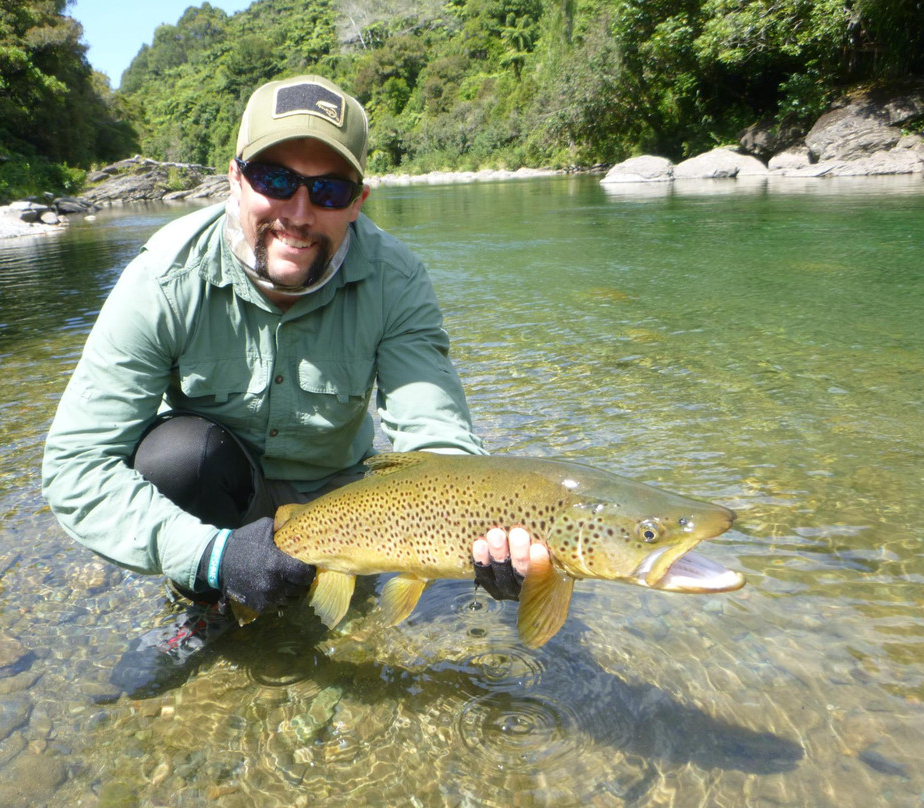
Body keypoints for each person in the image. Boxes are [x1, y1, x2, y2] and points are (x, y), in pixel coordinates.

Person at [41, 75, 548, 650]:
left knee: (351, 636)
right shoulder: (164, 279)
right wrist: (215, 556)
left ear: (358, 202)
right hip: (221, 508)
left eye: (329, 190)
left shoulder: (396, 281)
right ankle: (208, 600)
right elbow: (75, 467)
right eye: (276, 180)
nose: (299, 213)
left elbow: (436, 437)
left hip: (343, 512)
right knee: (176, 458)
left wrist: (485, 531)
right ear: (235, 181)